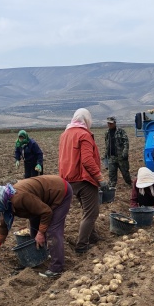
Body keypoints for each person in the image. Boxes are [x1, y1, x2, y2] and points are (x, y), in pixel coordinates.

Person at [0, 175, 72, 278]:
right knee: (34, 228)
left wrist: (41, 233)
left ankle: (56, 268)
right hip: (41, 201)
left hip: (59, 191)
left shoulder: (19, 198)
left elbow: (46, 212)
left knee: (52, 231)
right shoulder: (6, 202)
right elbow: (3, 227)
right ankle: (43, 254)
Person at [58, 108, 104, 255]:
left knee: (87, 209)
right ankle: (82, 245)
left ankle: (93, 236)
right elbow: (87, 160)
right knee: (92, 212)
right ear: (87, 120)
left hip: (68, 178)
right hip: (84, 179)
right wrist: (99, 177)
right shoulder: (84, 135)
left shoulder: (65, 134)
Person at [104, 116, 132, 186]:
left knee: (125, 172)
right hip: (111, 157)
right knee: (112, 173)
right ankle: (112, 186)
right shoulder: (107, 133)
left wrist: (125, 152)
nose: (109, 125)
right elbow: (107, 145)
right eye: (108, 123)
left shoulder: (121, 131)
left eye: (111, 123)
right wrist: (106, 156)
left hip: (121, 157)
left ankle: (129, 184)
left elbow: (126, 142)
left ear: (115, 123)